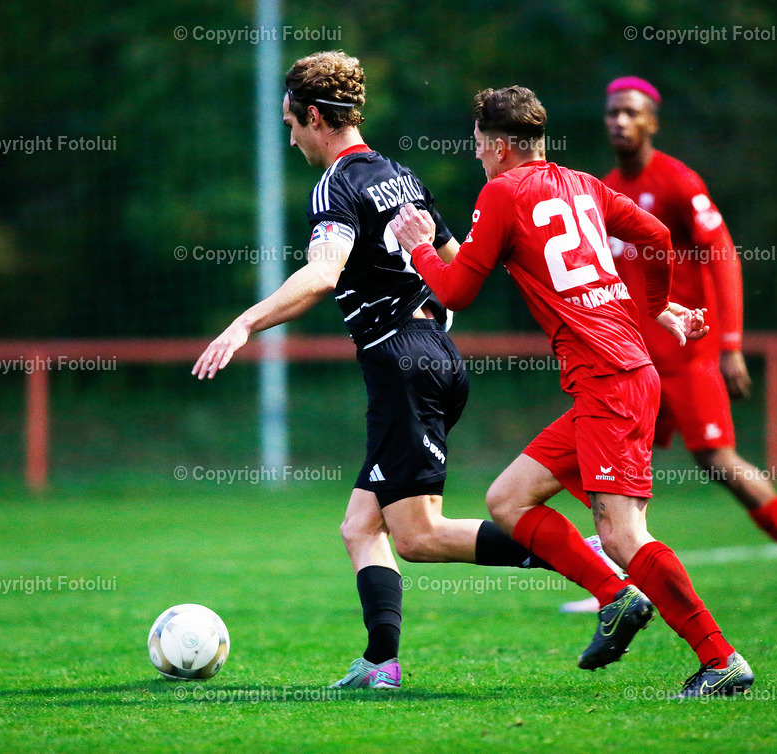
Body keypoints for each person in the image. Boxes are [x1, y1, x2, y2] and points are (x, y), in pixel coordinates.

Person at [192, 52, 559, 690]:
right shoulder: (399, 175)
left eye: (292, 124)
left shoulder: (336, 184)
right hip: (436, 355)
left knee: (417, 537)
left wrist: (245, 322)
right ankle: (380, 663)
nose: (290, 138)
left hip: (401, 364)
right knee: (361, 525)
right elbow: (455, 261)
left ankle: (578, 558)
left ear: (314, 116)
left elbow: (322, 274)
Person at [390, 85, 753, 697]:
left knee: (622, 534)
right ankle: (615, 598)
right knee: (508, 499)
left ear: (502, 147)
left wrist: (418, 244)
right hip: (616, 377)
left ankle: (720, 660)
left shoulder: (501, 192)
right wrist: (660, 306)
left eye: (480, 147)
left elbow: (454, 293)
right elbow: (659, 237)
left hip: (610, 382)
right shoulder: (581, 182)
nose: (478, 157)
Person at [560, 77, 777, 615]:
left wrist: (730, 343)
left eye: (630, 112)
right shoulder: (601, 188)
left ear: (651, 122)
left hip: (687, 357)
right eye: (612, 112)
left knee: (718, 460)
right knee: (604, 461)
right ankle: (621, 585)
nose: (618, 120)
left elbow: (723, 255)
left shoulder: (677, 181)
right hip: (632, 360)